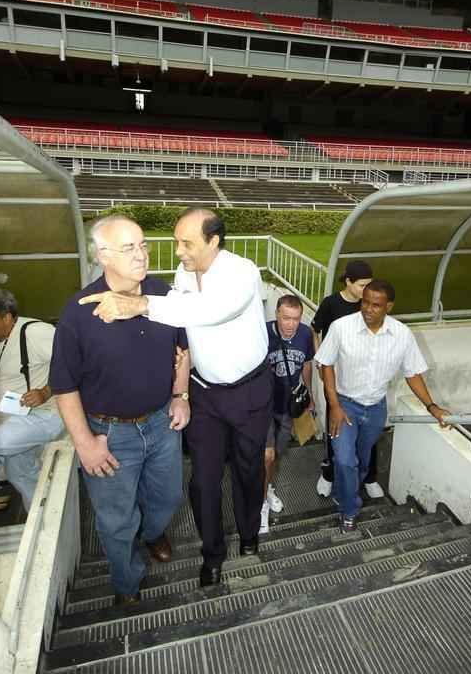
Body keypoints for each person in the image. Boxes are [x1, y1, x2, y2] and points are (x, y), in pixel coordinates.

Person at [79, 208, 274, 588]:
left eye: (188, 243)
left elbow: (210, 311)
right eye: (175, 242)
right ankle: (212, 554)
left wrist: (138, 304)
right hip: (204, 395)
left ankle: (249, 533)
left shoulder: (243, 273)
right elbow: (180, 321)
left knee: (249, 471)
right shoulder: (186, 273)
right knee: (203, 481)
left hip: (250, 391)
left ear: (214, 241)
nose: (179, 251)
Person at [50, 216, 190, 606]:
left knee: (168, 498)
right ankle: (127, 583)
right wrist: (84, 444)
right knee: (115, 520)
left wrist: (181, 396)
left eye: (143, 245)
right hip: (109, 435)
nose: (142, 255)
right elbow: (64, 386)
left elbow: (183, 349)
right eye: (129, 248)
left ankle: (152, 532)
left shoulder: (161, 294)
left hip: (163, 424)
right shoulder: (78, 312)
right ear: (102, 256)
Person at [315, 279, 450, 533]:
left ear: (388, 306)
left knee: (363, 462)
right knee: (345, 460)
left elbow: (413, 374)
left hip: (376, 409)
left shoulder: (402, 334)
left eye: (375, 305)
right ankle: (348, 509)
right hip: (345, 405)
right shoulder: (341, 328)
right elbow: (326, 363)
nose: (368, 309)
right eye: (365, 302)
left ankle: (352, 484)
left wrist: (432, 406)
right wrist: (334, 404)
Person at [312, 260, 384, 500]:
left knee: (368, 430)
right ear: (349, 282)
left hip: (363, 379)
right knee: (337, 427)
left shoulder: (369, 306)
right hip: (336, 379)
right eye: (362, 285)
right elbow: (316, 330)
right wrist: (321, 362)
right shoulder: (331, 304)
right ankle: (329, 474)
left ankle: (370, 477)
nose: (367, 290)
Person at [0, 288, 64, 511]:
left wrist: (46, 391)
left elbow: (77, 362)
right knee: (21, 474)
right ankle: (42, 520)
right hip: (14, 418)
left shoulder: (34, 333)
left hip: (47, 414)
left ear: (6, 317)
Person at [262, 294, 315, 534]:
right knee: (266, 456)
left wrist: (309, 394)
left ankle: (268, 486)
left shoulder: (305, 334)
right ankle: (261, 504)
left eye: (295, 318)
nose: (290, 324)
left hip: (288, 408)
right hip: (263, 407)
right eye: (286, 318)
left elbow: (306, 364)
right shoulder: (262, 333)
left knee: (276, 456)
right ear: (276, 315)